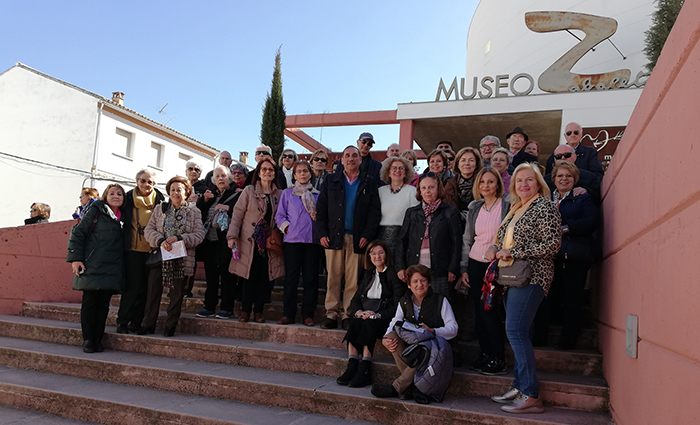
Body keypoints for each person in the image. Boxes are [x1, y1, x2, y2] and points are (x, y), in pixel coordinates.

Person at [486, 163, 561, 414]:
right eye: (519, 181)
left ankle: (531, 394)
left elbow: (552, 244)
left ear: (539, 182)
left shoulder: (545, 206)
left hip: (532, 277)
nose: (524, 185)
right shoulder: (516, 208)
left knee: (515, 331)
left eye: (529, 180)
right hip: (512, 277)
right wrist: (494, 248)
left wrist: (513, 251)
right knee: (518, 332)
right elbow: (503, 238)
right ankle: (519, 386)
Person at [534, 162, 599, 349]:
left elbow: (591, 221)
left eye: (568, 176)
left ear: (575, 179)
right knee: (544, 298)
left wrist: (566, 227)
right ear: (553, 179)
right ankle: (540, 338)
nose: (564, 179)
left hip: (573, 256)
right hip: (548, 257)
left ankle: (568, 340)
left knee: (572, 298)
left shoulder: (582, 198)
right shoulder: (544, 199)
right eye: (560, 176)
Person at [371, 265, 457, 404]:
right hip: (412, 346)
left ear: (428, 282)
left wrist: (433, 331)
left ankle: (398, 387)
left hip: (434, 349)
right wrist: (385, 338)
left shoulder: (440, 300)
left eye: (423, 280)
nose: (419, 284)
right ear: (409, 285)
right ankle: (414, 385)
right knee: (393, 336)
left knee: (421, 349)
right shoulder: (405, 301)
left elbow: (453, 328)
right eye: (415, 281)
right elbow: (395, 321)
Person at [317, 145, 381, 330]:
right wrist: (321, 233)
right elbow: (321, 209)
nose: (351, 158)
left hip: (357, 238)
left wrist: (367, 235)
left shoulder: (369, 182)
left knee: (353, 280)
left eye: (355, 155)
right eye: (347, 156)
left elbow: (374, 213)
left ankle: (347, 313)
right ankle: (331, 313)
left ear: (360, 160)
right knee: (333, 278)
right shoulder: (331, 180)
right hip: (333, 237)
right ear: (342, 160)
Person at [459, 167, 511, 375]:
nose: (486, 186)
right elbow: (467, 240)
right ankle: (485, 354)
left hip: (496, 265)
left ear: (497, 183)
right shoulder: (474, 208)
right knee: (479, 312)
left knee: (491, 310)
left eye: (490, 182)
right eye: (482, 183)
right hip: (474, 262)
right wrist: (464, 267)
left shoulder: (507, 205)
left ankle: (498, 357)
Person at [337, 241, 406, 388]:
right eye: (373, 253)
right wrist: (359, 312)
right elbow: (355, 299)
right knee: (355, 321)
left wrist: (377, 315)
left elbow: (398, 305)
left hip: (385, 319)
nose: (377, 256)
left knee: (369, 323)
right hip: (367, 315)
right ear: (369, 256)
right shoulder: (368, 274)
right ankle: (353, 363)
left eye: (380, 252)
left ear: (386, 254)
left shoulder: (392, 274)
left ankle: (366, 367)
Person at [142, 177, 205, 337]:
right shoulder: (160, 209)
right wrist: (161, 240)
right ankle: (148, 324)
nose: (176, 193)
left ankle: (170, 326)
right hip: (160, 257)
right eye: (172, 190)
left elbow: (199, 234)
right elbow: (148, 230)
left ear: (187, 192)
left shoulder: (194, 211)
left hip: (182, 258)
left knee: (176, 295)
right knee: (153, 292)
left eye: (179, 189)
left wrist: (180, 238)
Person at [67, 184, 127, 353]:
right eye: (112, 193)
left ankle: (97, 338)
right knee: (90, 303)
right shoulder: (96, 211)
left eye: (120, 194)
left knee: (103, 305)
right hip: (92, 265)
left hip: (112, 268)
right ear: (105, 196)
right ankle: (88, 339)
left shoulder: (125, 217)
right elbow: (78, 233)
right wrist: (75, 259)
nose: (116, 196)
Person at [227, 157, 284, 323]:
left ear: (275, 174)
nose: (267, 172)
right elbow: (237, 215)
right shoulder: (249, 191)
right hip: (248, 242)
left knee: (265, 278)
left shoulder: (280, 195)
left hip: (269, 243)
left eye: (271, 170)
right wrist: (232, 236)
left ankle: (258, 311)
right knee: (248, 276)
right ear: (258, 172)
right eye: (264, 169)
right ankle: (245, 311)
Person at [395, 173, 461, 298]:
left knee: (440, 305)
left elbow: (456, 243)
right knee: (418, 305)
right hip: (415, 267)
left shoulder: (450, 212)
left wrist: (453, 268)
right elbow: (402, 241)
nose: (427, 191)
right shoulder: (412, 213)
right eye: (423, 188)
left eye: (431, 187)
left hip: (440, 269)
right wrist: (400, 267)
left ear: (438, 189)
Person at [117, 169, 165, 334]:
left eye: (150, 182)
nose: (146, 185)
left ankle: (136, 322)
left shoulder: (160, 200)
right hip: (132, 250)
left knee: (146, 288)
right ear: (137, 181)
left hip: (152, 250)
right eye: (143, 181)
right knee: (132, 287)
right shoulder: (128, 199)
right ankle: (122, 321)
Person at [194, 166, 243, 319]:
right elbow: (199, 214)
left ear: (229, 178)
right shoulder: (210, 195)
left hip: (226, 241)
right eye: (217, 176)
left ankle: (227, 308)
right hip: (209, 241)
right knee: (211, 275)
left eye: (223, 175)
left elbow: (241, 212)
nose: (221, 179)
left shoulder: (237, 195)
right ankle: (209, 306)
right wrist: (203, 201)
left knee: (227, 276)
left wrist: (227, 208)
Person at [275, 160, 320, 326]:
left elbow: (323, 217)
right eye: (299, 171)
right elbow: (279, 216)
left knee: (310, 279)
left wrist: (318, 218)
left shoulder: (318, 194)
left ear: (310, 174)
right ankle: (288, 314)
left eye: (305, 171)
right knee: (291, 279)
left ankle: (308, 314)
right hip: (292, 242)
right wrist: (287, 229)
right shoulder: (287, 194)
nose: (302, 174)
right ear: (294, 175)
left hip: (312, 242)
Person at [377, 156, 419, 257]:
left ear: (406, 173)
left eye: (401, 168)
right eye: (394, 168)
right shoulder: (380, 191)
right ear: (388, 172)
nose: (397, 171)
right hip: (381, 238)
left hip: (403, 238)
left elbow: (415, 218)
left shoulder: (412, 191)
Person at [445, 147, 483, 218]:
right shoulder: (449, 184)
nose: (467, 163)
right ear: (458, 164)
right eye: (463, 160)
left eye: (471, 160)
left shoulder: (482, 183)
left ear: (476, 164)